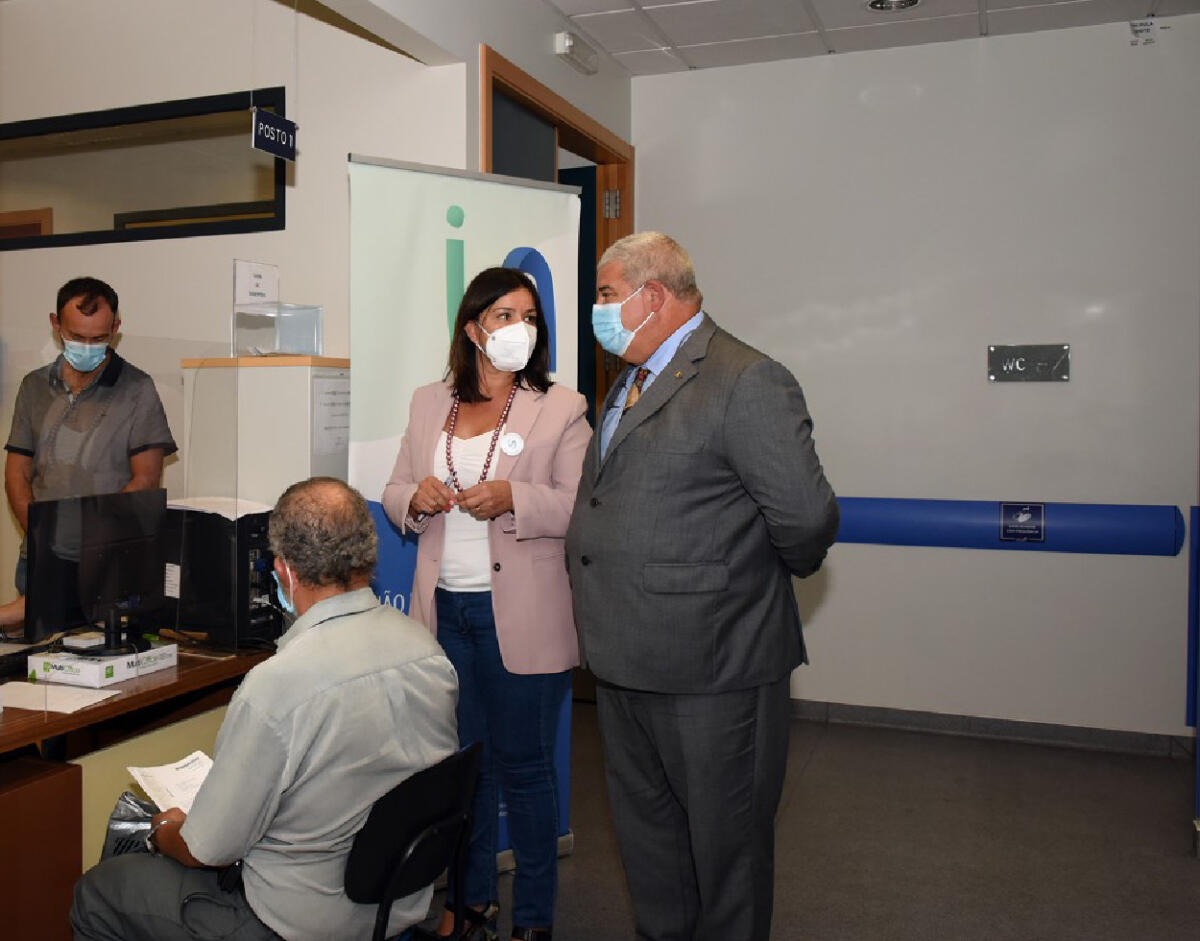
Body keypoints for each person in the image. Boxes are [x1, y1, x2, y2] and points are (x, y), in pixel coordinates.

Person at [565, 232, 840, 941]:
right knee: (651, 850)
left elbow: (806, 518)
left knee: (727, 860)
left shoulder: (745, 379)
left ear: (650, 296)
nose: (597, 309)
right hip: (626, 664)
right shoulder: (629, 378)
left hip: (714, 671)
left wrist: (742, 590)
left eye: (603, 294)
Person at [70, 477, 460, 941]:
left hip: (291, 922)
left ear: (285, 572)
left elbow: (206, 850)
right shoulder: (427, 652)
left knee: (99, 891)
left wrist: (165, 830)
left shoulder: (277, 686)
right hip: (393, 907)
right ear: (366, 556)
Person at [382, 267, 590, 941]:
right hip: (445, 614)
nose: (520, 328)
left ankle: (533, 918)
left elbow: (582, 507)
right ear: (473, 328)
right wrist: (411, 498)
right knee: (462, 770)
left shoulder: (561, 406)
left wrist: (514, 499)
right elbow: (394, 484)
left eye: (529, 316)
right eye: (505, 316)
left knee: (526, 771)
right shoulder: (427, 401)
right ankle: (470, 905)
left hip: (520, 619)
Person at [2, 277, 176, 633]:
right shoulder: (34, 386)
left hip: (106, 562)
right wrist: (40, 537)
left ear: (116, 328)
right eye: (76, 336)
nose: (87, 346)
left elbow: (144, 480)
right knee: (34, 669)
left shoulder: (137, 389)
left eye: (98, 338)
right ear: (55, 324)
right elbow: (17, 473)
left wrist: (91, 546)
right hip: (39, 557)